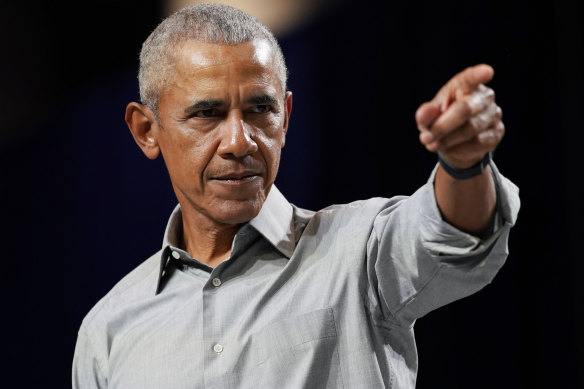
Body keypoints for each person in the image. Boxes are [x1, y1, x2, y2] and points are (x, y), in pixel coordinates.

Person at [72, 3, 520, 388]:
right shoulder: (108, 330)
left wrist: (464, 163)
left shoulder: (359, 251)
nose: (239, 141)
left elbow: (452, 232)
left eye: (259, 109)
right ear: (147, 130)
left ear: (284, 118)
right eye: (207, 113)